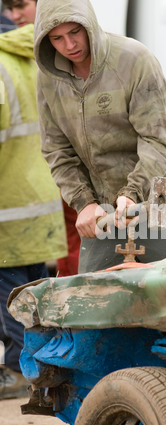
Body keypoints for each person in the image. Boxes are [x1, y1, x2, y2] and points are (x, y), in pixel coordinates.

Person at [33, 0, 166, 273]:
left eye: (75, 32)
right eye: (57, 38)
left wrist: (133, 193)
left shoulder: (135, 59)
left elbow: (157, 141)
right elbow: (57, 151)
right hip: (103, 212)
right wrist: (84, 203)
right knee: (93, 304)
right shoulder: (48, 78)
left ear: (88, 22)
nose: (69, 45)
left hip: (163, 201)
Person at [0, 23, 67, 399]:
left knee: (13, 301)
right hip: (38, 198)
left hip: (6, 204)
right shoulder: (35, 57)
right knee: (33, 293)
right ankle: (31, 366)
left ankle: (36, 373)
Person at [3, 0, 81, 277]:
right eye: (8, 8)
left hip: (49, 177)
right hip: (59, 175)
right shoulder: (74, 48)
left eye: (21, 5)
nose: (14, 15)